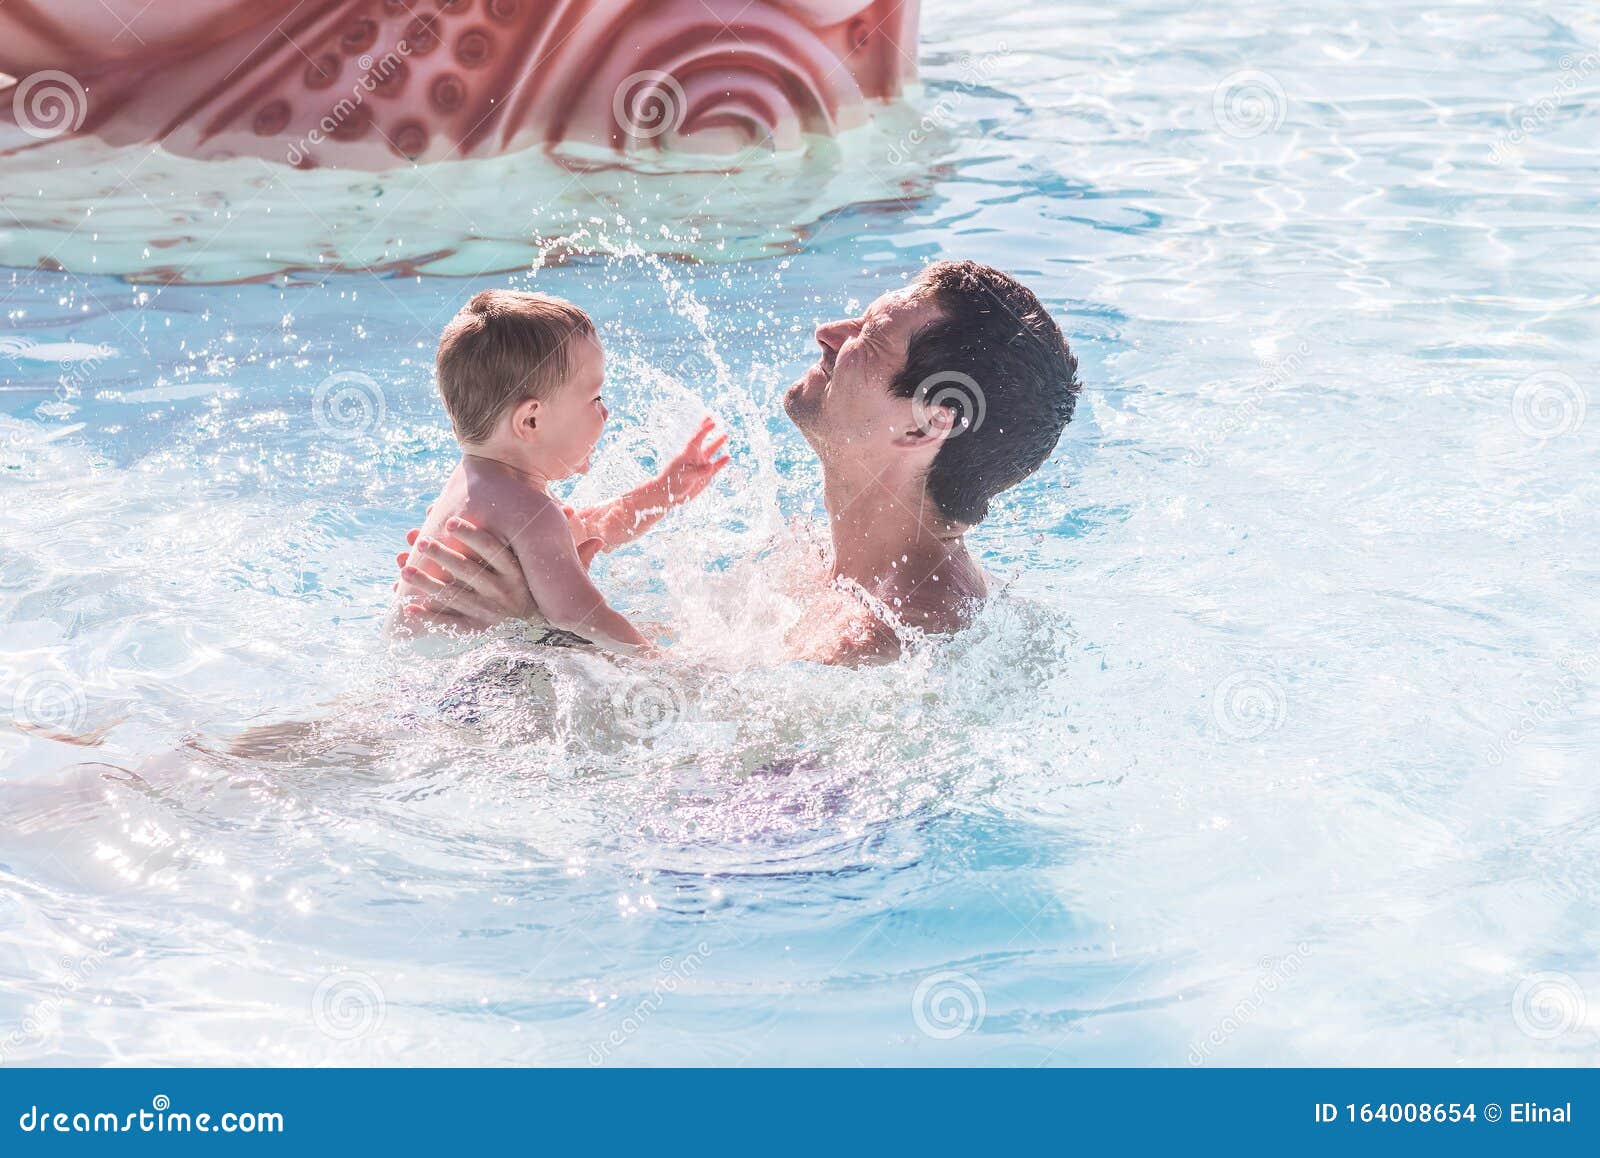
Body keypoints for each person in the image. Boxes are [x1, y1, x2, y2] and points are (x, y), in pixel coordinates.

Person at [395, 261, 1079, 664]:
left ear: (926, 424)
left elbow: (694, 776)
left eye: (868, 338)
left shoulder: (892, 638)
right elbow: (703, 679)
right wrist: (542, 567)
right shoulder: (814, 561)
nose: (828, 334)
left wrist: (535, 639)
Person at [391, 289, 728, 651]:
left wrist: (663, 491)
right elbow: (585, 618)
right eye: (595, 399)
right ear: (531, 420)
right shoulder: (529, 509)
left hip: (417, 675)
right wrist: (663, 667)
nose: (606, 413)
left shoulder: (478, 485)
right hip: (465, 689)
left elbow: (585, 530)